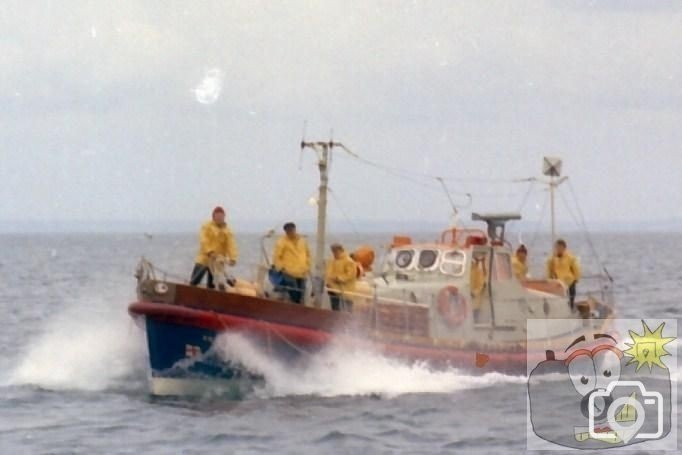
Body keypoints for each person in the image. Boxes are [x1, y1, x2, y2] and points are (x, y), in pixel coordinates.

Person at [189, 206, 238, 289]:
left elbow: (231, 245)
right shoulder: (206, 226)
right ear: (213, 216)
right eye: (217, 216)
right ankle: (190, 290)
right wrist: (209, 251)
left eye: (221, 216)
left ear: (224, 217)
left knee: (213, 283)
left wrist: (233, 258)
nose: (219, 218)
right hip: (204, 257)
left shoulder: (227, 231)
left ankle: (211, 296)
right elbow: (203, 239)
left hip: (218, 261)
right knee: (195, 280)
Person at [272, 222, 310, 304]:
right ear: (285, 231)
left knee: (302, 293)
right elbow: (277, 257)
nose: (290, 232)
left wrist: (308, 266)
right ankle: (295, 307)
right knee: (294, 292)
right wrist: (281, 268)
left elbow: (308, 254)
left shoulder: (302, 241)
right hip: (289, 272)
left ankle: (301, 308)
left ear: (295, 229)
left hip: (302, 272)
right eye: (288, 231)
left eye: (292, 230)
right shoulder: (281, 242)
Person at [546, 239, 581, 310]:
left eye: (560, 248)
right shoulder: (552, 258)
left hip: (569, 280)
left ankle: (571, 307)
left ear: (564, 248)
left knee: (571, 295)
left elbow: (576, 269)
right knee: (559, 298)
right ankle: (560, 309)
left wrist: (576, 279)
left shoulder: (570, 257)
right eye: (557, 247)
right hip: (558, 281)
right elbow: (549, 269)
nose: (559, 249)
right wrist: (549, 279)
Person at [325, 243, 357, 311]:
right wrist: (328, 282)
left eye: (335, 251)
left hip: (345, 290)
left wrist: (339, 278)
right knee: (335, 309)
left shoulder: (349, 261)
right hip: (333, 288)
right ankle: (335, 320)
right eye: (333, 251)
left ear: (340, 250)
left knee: (346, 310)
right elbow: (328, 272)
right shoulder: (332, 260)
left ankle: (348, 320)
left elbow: (351, 275)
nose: (334, 253)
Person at [470, 252, 488, 321]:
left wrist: (474, 293)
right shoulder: (464, 269)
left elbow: (481, 284)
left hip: (474, 302)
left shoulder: (477, 271)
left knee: (475, 317)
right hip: (464, 301)